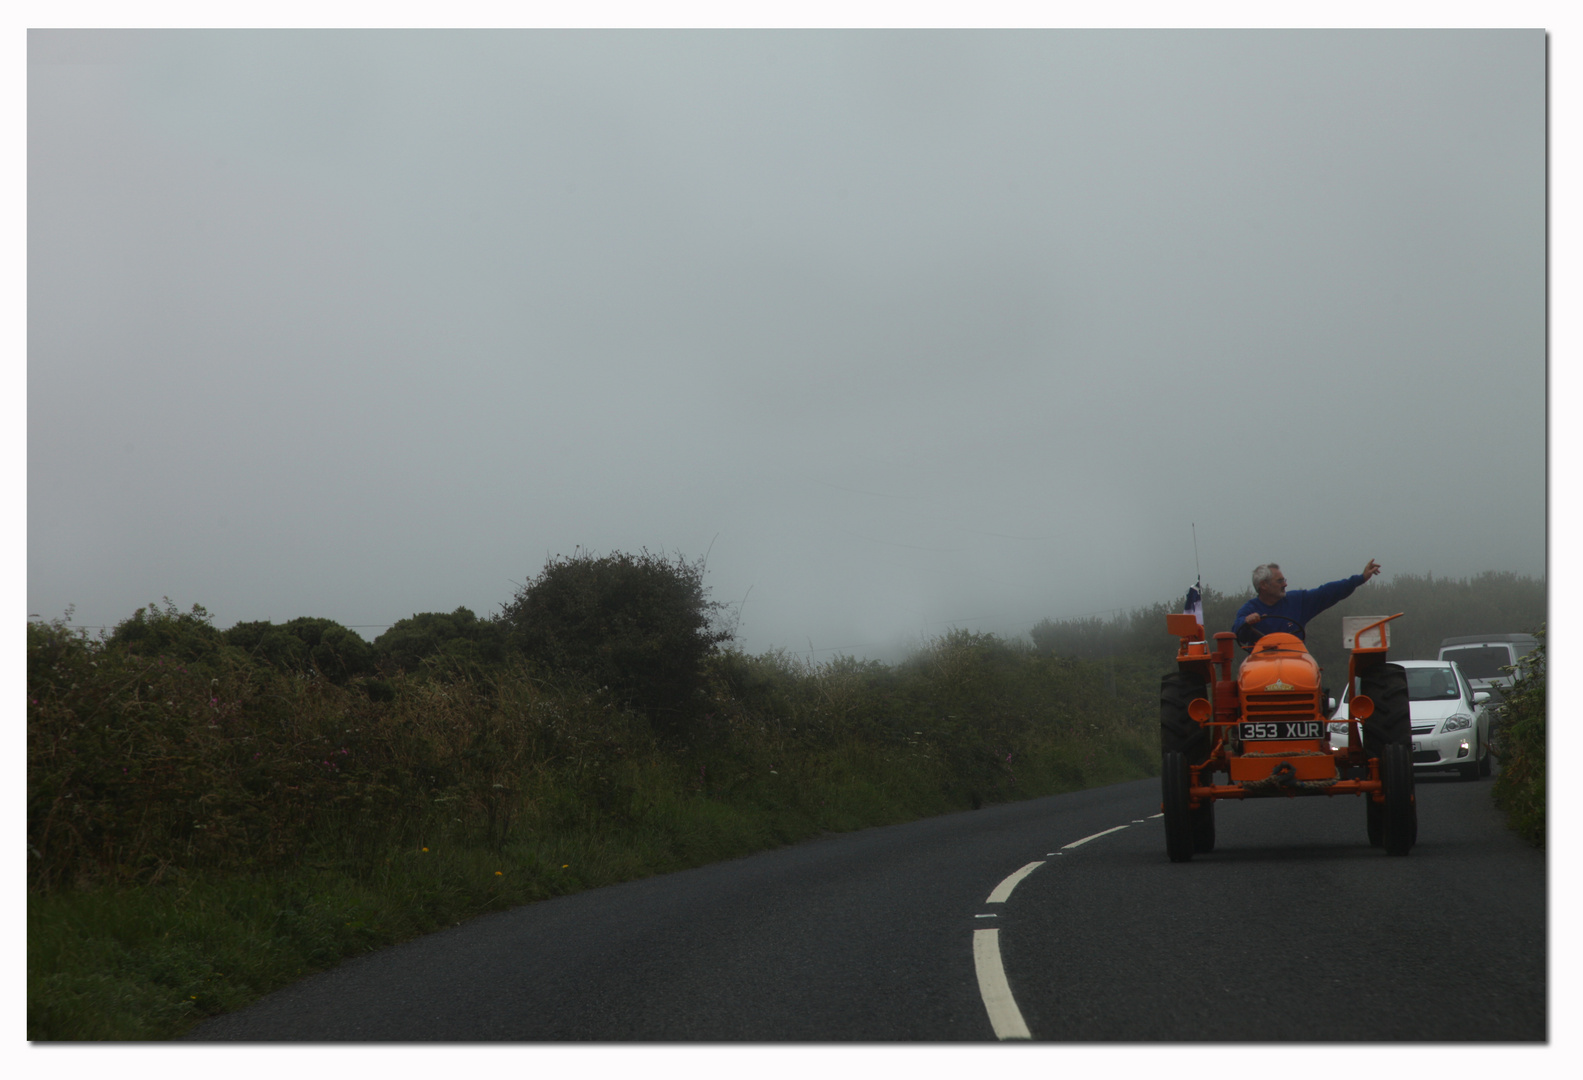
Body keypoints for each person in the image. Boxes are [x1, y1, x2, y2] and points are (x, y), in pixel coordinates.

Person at [1233, 559, 1382, 647]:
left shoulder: (1297, 601)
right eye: (1280, 581)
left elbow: (1327, 593)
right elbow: (1236, 632)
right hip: (1261, 665)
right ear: (1263, 585)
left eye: (1284, 580)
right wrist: (1246, 622)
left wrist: (1360, 578)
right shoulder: (1249, 609)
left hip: (1295, 660)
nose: (1285, 585)